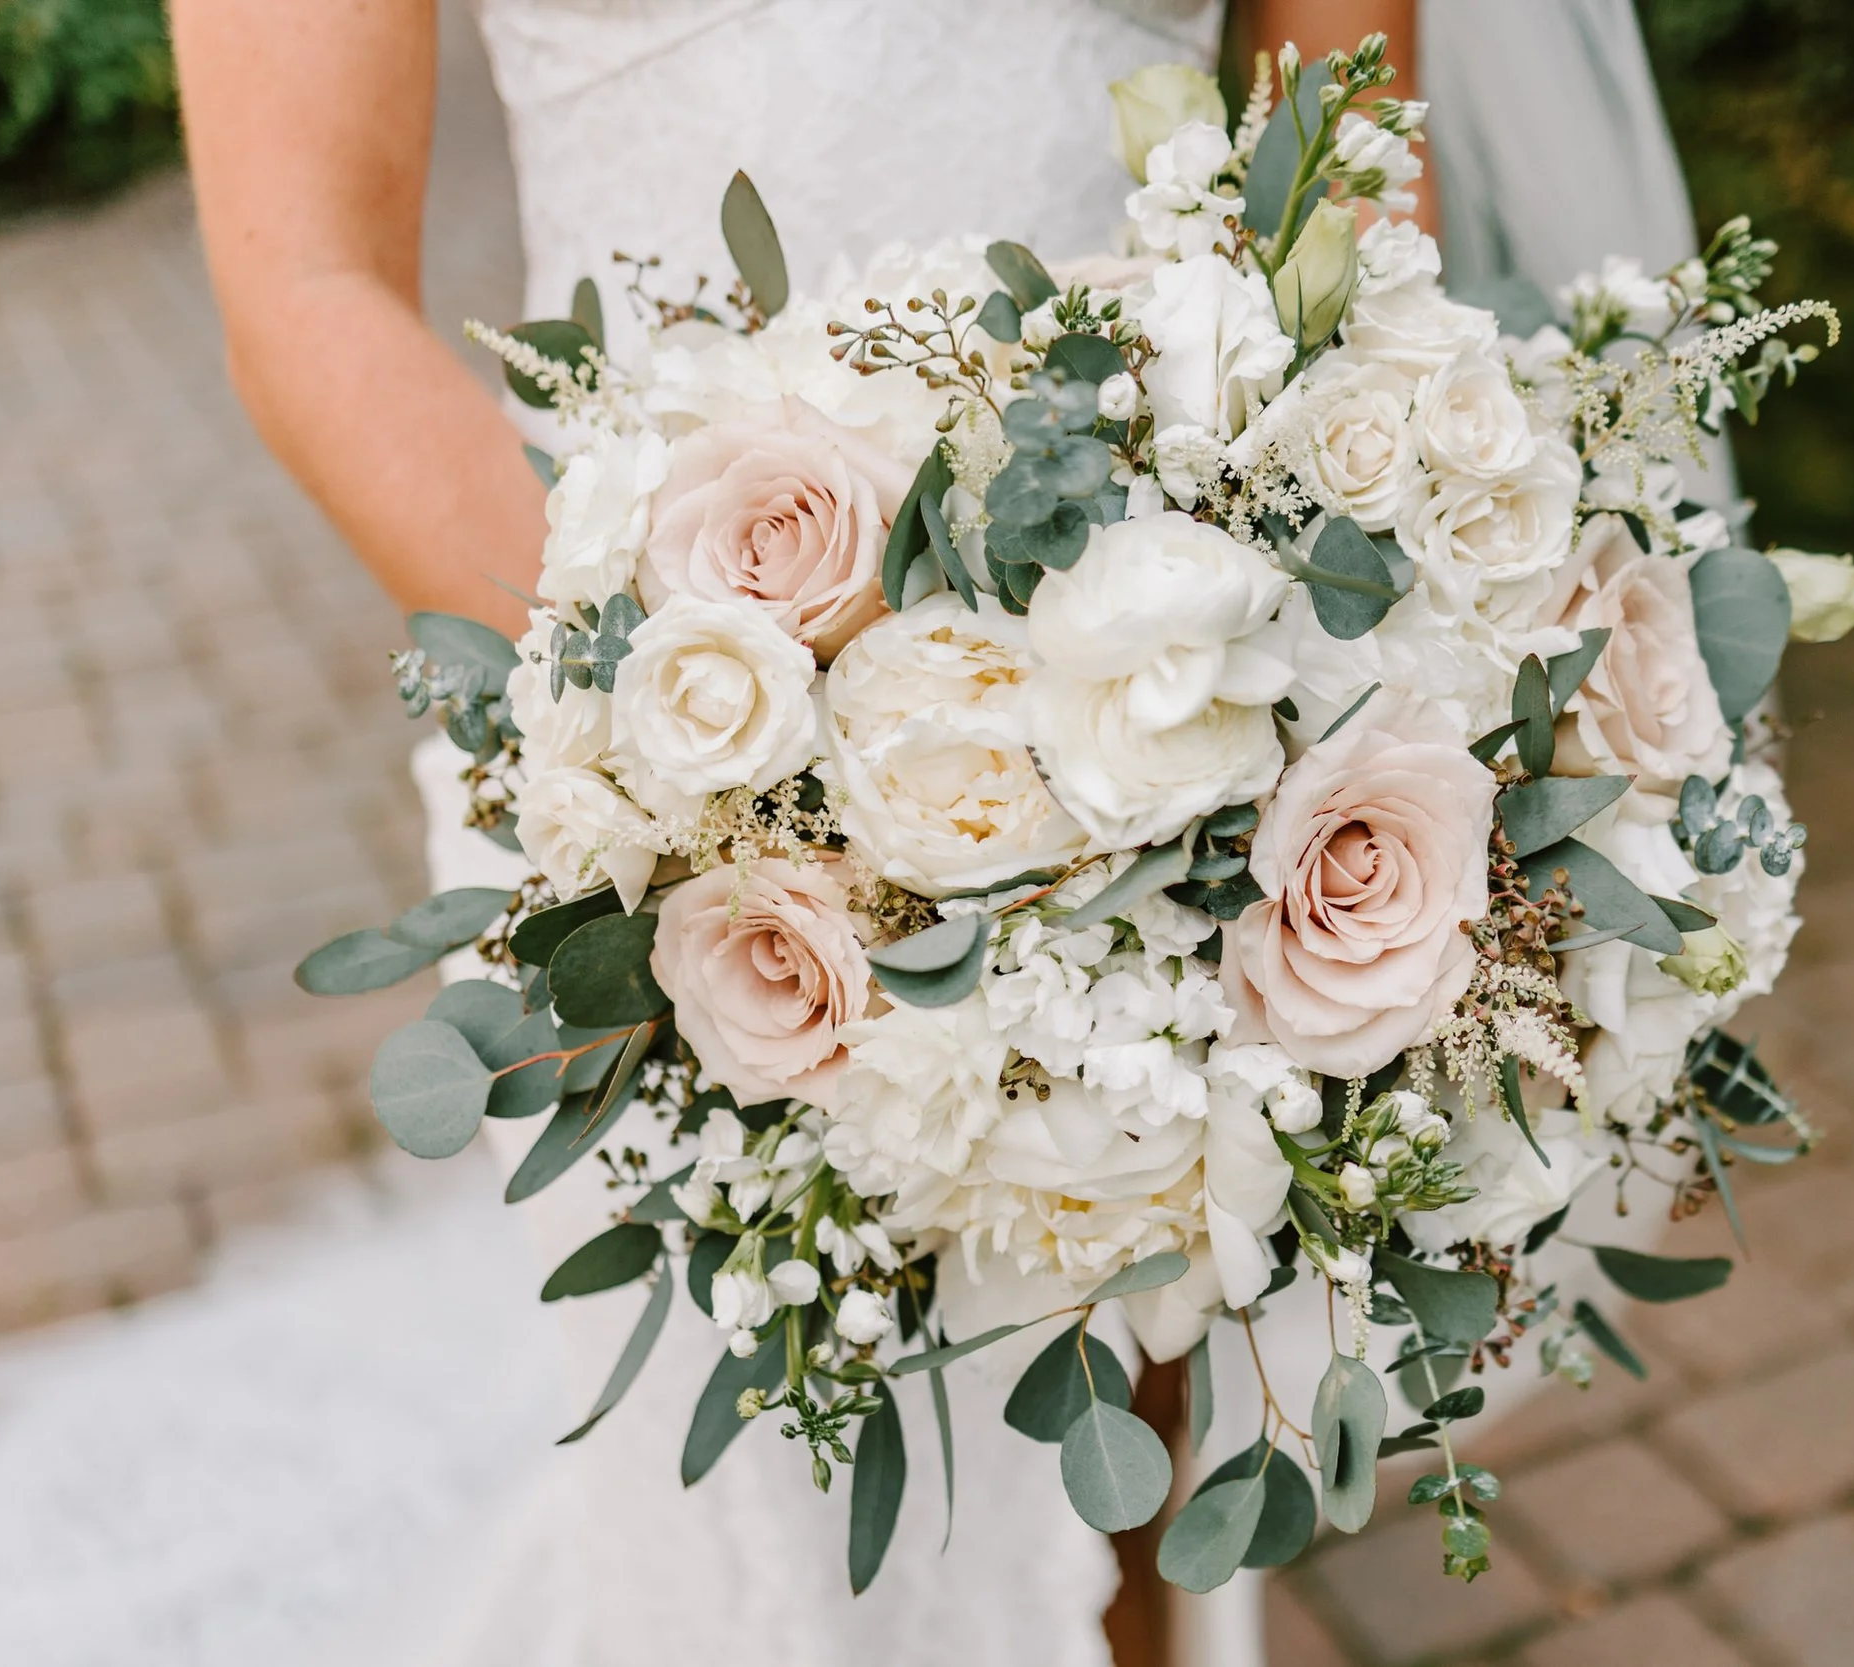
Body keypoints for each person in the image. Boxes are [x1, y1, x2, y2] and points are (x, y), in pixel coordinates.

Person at [171, 6, 1430, 1665]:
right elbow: (306, 275)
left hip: (1183, 712)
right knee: (761, 1530)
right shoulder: (662, 784)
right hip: (650, 759)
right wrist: (700, 785)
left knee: (1134, 1435)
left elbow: (1340, 156)